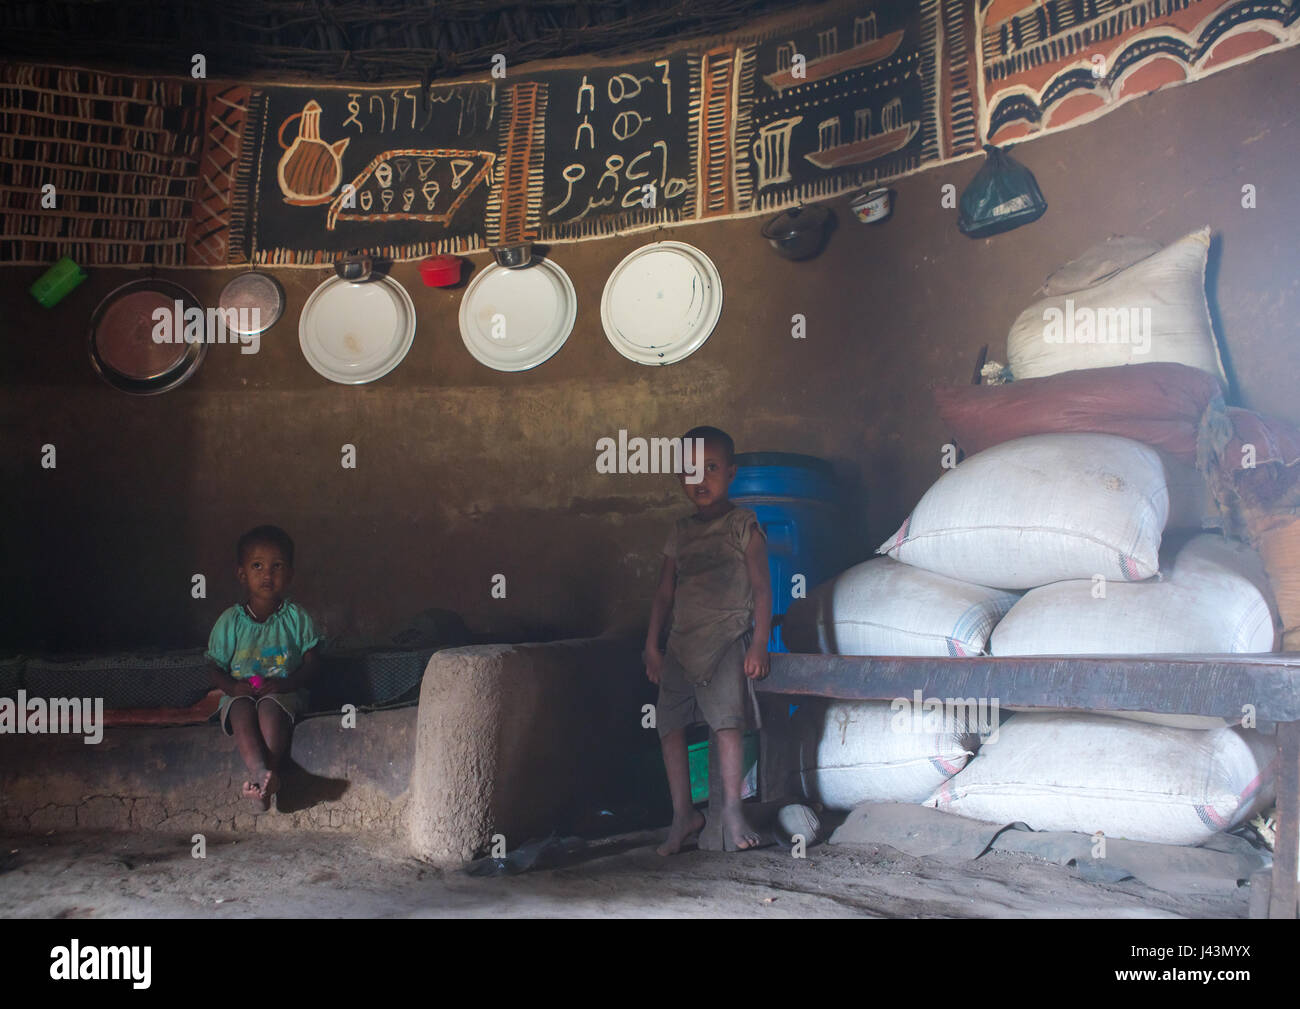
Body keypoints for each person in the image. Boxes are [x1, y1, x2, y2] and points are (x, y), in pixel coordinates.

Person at [645, 426, 772, 855]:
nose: (700, 479)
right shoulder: (679, 532)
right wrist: (652, 645)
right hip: (680, 646)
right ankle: (684, 815)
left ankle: (734, 810)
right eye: (689, 471)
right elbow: (664, 593)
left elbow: (762, 588)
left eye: (712, 468)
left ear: (731, 473)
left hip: (725, 642)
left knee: (728, 725)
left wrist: (759, 644)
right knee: (669, 727)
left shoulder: (743, 525)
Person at [206, 525, 321, 811]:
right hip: (240, 692)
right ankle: (260, 773)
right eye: (257, 566)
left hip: (282, 693)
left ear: (290, 573)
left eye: (277, 566)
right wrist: (232, 687)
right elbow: (214, 667)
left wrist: (285, 684)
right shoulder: (230, 621)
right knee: (239, 707)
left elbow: (313, 663)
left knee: (270, 707)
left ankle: (263, 783)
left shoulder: (297, 618)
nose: (267, 574)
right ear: (242, 574)